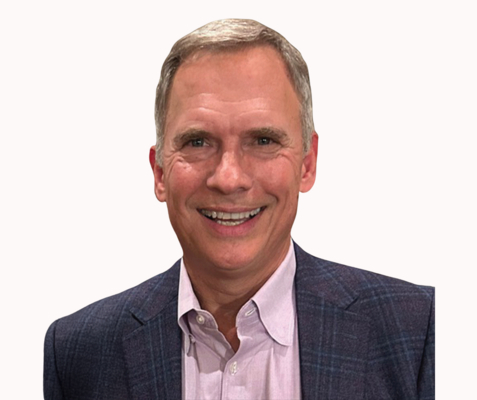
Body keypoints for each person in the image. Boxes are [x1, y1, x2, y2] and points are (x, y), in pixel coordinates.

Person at [44, 19, 434, 400]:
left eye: (263, 140)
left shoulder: (421, 332)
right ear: (160, 172)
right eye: (198, 142)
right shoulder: (77, 354)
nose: (229, 178)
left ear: (307, 163)